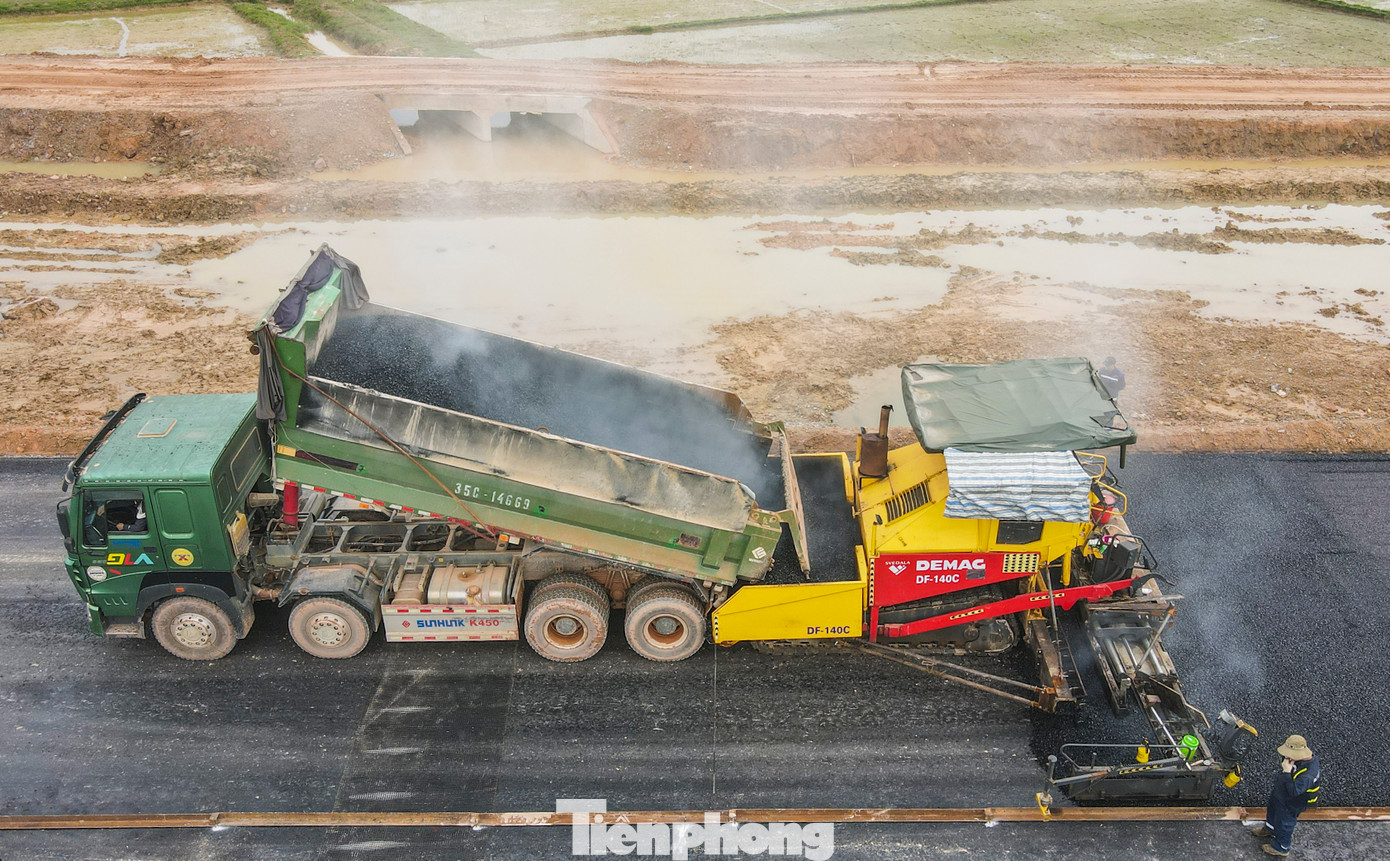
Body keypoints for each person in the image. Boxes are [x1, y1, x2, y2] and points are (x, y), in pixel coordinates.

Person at [1252, 734, 1321, 857]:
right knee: (1273, 810)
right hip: (1282, 793)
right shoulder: (1298, 760)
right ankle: (1270, 829)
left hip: (1294, 801)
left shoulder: (1308, 775)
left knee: (1285, 822)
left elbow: (1294, 791)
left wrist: (1286, 772)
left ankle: (1281, 847)